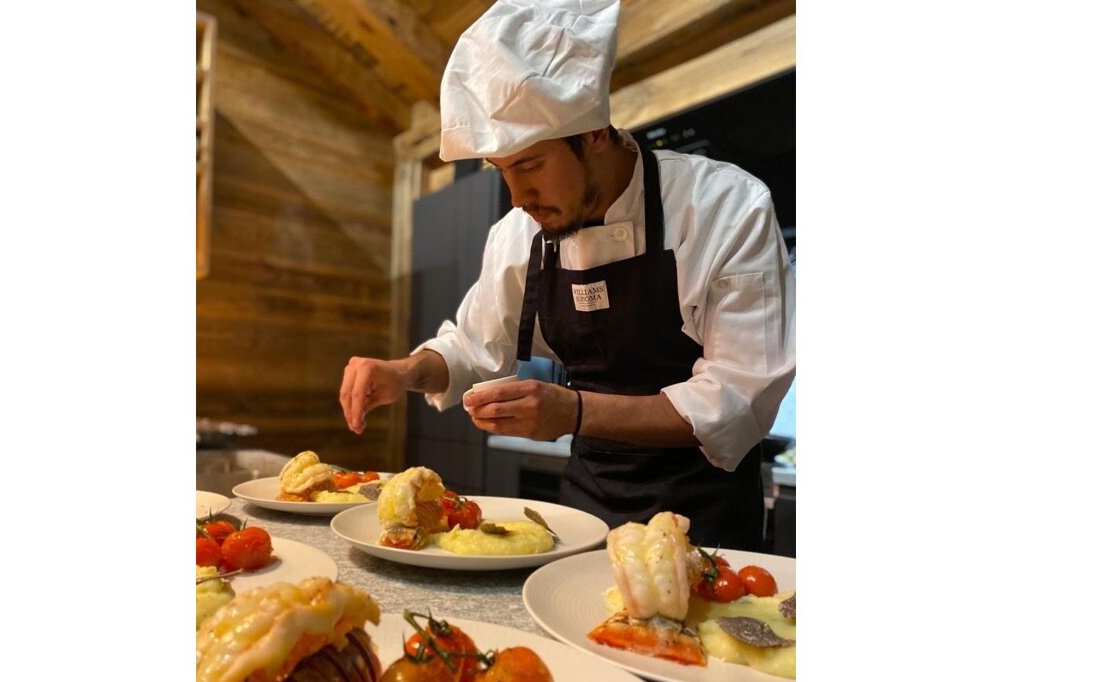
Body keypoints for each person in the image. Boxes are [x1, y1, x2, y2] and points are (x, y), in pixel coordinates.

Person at [339, 0, 794, 551]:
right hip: (586, 514)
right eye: (502, 171)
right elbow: (471, 348)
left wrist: (573, 410)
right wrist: (405, 371)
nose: (518, 196)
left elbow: (738, 397)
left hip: (708, 520)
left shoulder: (724, 206)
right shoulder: (517, 234)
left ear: (595, 134)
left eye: (531, 166)